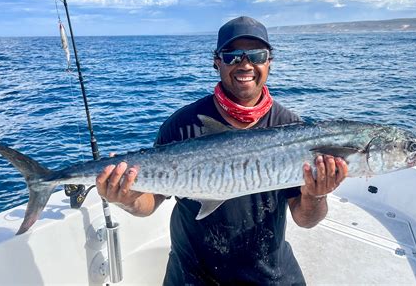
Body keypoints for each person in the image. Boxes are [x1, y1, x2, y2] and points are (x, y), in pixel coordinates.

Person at [96, 16, 348, 285]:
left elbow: (304, 218)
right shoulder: (182, 124)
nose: (245, 64)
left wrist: (316, 195)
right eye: (232, 56)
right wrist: (126, 199)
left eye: (256, 55)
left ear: (269, 62)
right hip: (191, 275)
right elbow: (150, 201)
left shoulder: (290, 128)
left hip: (267, 275)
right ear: (217, 61)